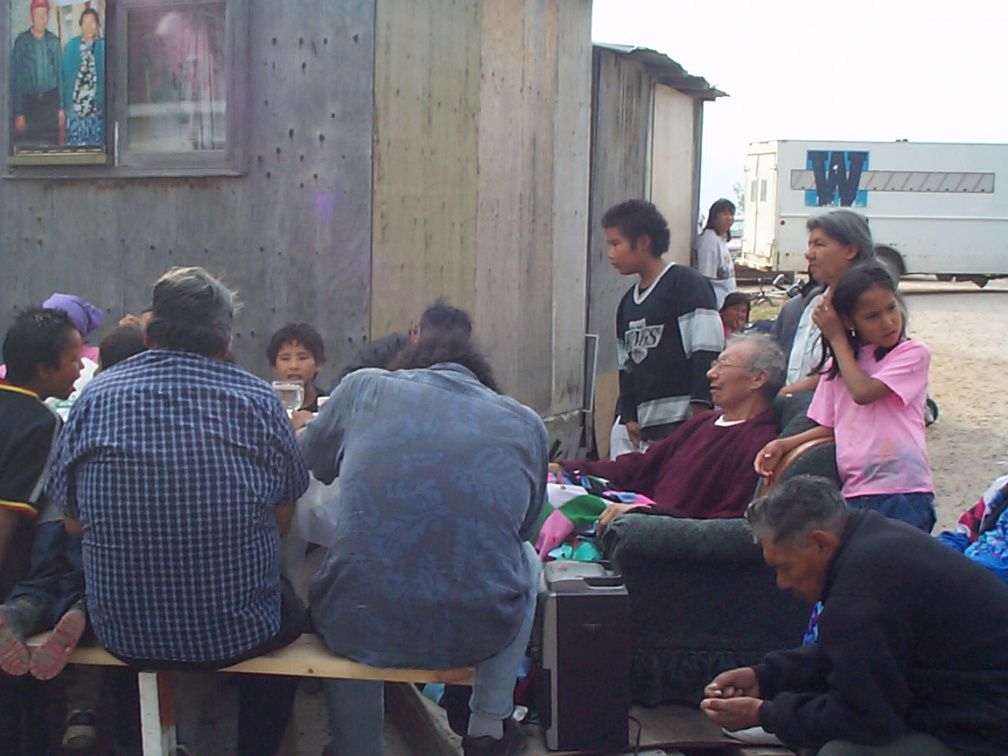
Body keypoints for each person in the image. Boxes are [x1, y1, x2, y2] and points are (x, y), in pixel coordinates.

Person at [46, 267, 310, 756]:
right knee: (292, 615)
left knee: (132, 626)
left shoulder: (96, 398)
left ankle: (138, 742)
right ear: (225, 339)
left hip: (122, 629)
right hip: (238, 631)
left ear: (148, 333)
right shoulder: (258, 399)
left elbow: (72, 523)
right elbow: (283, 519)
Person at [297, 324, 548, 756]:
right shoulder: (525, 423)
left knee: (352, 565)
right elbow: (524, 530)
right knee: (525, 558)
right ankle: (488, 722)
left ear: (407, 372)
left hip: (357, 620)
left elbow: (305, 462)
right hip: (475, 630)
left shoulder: (364, 389)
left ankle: (358, 745)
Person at [702, 475, 1008, 756]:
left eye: (786, 567)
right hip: (966, 701)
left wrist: (764, 714)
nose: (782, 583)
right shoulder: (871, 539)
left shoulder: (861, 595)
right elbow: (854, 656)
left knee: (841, 752)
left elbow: (865, 720)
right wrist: (766, 677)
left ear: (819, 543)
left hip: (986, 730)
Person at [755, 264, 935, 533]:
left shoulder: (912, 353)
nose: (888, 322)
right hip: (855, 491)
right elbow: (831, 427)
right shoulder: (838, 366)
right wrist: (784, 444)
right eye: (872, 316)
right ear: (850, 321)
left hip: (903, 490)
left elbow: (863, 393)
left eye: (891, 308)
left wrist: (836, 338)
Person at [552, 333, 783, 528]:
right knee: (549, 489)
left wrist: (646, 516)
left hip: (661, 538)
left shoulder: (759, 444)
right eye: (715, 364)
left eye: (724, 365)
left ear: (757, 379)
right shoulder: (703, 423)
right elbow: (642, 466)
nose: (711, 374)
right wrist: (566, 468)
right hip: (638, 517)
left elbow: (727, 522)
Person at [0, 308, 82, 755]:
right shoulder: (40, 424)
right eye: (73, 359)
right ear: (45, 370)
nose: (79, 369)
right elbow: (9, 512)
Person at [604, 199, 723, 450]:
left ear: (644, 242)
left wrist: (701, 410)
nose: (610, 254)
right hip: (649, 431)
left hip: (686, 427)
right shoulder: (627, 303)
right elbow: (627, 366)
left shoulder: (685, 284)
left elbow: (706, 349)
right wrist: (630, 415)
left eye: (616, 244)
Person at [774, 210, 875, 394]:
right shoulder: (809, 304)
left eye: (818, 244)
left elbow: (870, 368)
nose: (809, 254)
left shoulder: (871, 308)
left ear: (851, 250)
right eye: (809, 245)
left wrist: (793, 391)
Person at [10, 0, 65, 146]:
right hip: (29, 104)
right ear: (32, 17)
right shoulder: (22, 42)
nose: (42, 19)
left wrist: (61, 108)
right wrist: (19, 112)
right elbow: (16, 79)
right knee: (28, 147)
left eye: (45, 15)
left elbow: (60, 75)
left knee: (50, 147)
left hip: (49, 103)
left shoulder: (53, 41)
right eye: (38, 15)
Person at [62, 7, 105, 148]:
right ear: (80, 25)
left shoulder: (103, 46)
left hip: (95, 111)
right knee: (74, 149)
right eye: (85, 23)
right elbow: (65, 77)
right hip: (75, 110)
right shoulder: (72, 46)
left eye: (92, 22)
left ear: (98, 25)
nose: (89, 27)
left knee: (95, 149)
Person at [267, 322, 327, 412]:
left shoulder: (327, 405)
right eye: (285, 359)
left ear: (318, 364)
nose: (293, 366)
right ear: (274, 365)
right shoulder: (266, 406)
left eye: (302, 358)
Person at [694, 198, 737, 308]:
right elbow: (705, 279)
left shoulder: (720, 240)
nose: (729, 218)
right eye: (724, 213)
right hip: (717, 305)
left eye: (731, 214)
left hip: (726, 304)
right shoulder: (709, 242)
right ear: (714, 218)